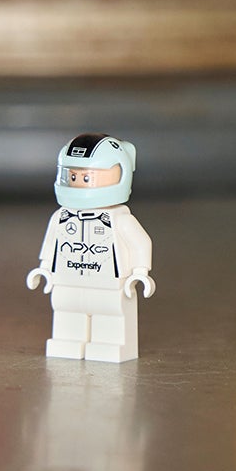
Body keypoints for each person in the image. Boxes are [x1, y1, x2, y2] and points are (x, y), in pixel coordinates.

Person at [26, 134, 155, 363]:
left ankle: (108, 345)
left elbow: (141, 243)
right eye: (73, 176)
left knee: (110, 315)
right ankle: (67, 342)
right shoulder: (61, 217)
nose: (78, 182)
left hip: (109, 283)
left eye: (87, 177)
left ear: (120, 174)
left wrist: (140, 272)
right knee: (67, 312)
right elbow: (51, 244)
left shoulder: (119, 219)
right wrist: (44, 268)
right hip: (67, 281)